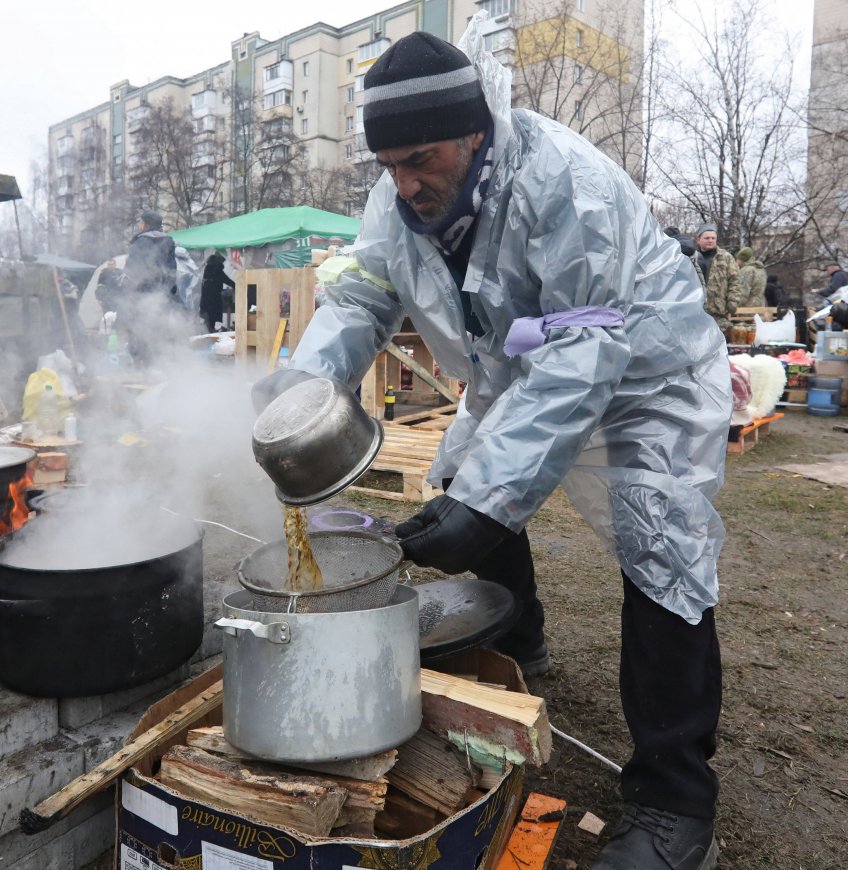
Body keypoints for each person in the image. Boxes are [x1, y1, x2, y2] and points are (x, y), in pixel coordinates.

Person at [252, 30, 727, 870]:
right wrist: (306, 381)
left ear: (474, 131)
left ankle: (674, 805)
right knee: (466, 477)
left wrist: (490, 505)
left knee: (663, 549)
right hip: (519, 372)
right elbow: (360, 294)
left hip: (647, 375)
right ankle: (519, 642)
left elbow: (588, 350)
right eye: (389, 164)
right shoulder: (395, 202)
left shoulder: (567, 185)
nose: (405, 183)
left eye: (421, 158)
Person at [120, 210, 179, 365]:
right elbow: (171, 271)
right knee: (158, 332)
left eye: (140, 222)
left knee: (139, 332)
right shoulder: (168, 241)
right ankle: (158, 368)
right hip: (161, 297)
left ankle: (142, 367)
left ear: (146, 224)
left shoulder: (140, 242)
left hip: (141, 296)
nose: (139, 225)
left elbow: (134, 271)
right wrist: (169, 293)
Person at [691, 223, 740, 335]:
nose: (710, 240)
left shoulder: (726, 257)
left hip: (719, 311)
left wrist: (732, 303)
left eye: (713, 238)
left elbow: (734, 281)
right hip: (696, 310)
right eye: (707, 238)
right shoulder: (693, 257)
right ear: (698, 240)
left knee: (719, 344)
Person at [199, 252, 236, 333]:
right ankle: (210, 330)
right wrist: (236, 285)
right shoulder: (216, 270)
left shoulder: (208, 268)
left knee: (208, 315)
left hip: (206, 296)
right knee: (212, 314)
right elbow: (227, 280)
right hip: (212, 297)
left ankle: (209, 329)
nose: (223, 262)